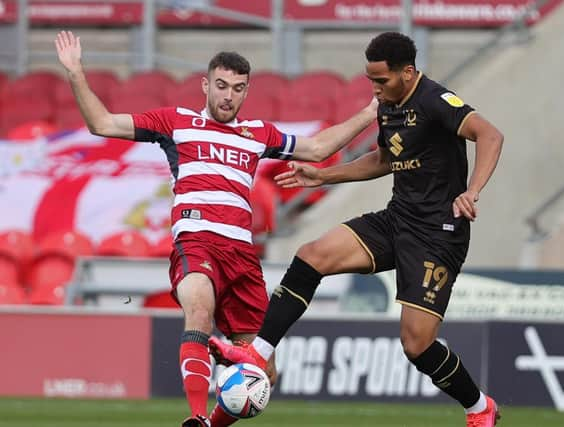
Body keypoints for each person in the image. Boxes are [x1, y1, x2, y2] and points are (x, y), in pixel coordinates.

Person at [55, 30, 377, 427]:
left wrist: (370, 112)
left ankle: (210, 423)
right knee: (199, 309)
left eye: (238, 89)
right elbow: (102, 124)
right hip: (197, 241)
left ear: (246, 92)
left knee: (263, 374)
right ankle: (194, 416)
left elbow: (317, 149)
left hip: (243, 257)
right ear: (206, 85)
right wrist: (75, 72)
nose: (228, 96)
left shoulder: (258, 134)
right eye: (221, 86)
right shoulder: (176, 122)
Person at [209, 31, 504, 427]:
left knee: (416, 344)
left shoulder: (436, 100)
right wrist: (323, 176)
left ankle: (478, 407)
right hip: (397, 218)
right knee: (311, 256)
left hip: (438, 234)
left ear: (408, 72)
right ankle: (259, 352)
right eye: (370, 80)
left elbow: (490, 134)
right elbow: (384, 158)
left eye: (381, 80)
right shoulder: (388, 105)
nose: (374, 89)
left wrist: (473, 190)